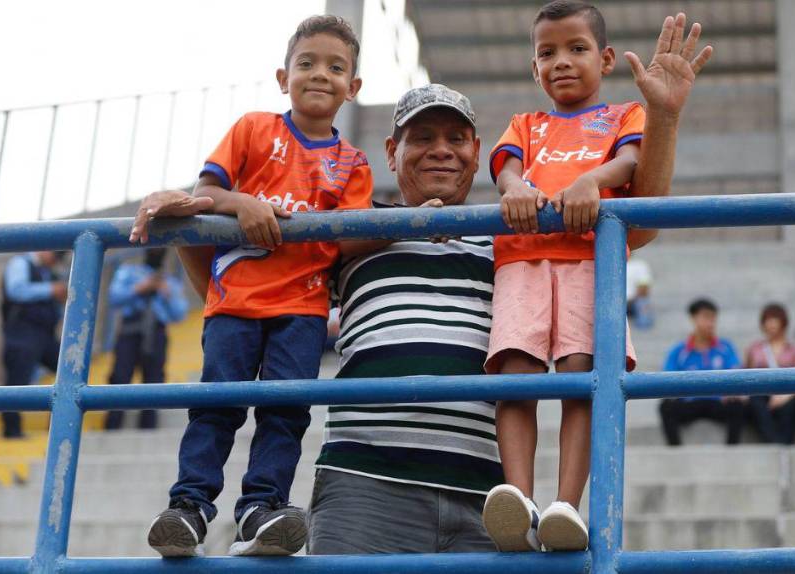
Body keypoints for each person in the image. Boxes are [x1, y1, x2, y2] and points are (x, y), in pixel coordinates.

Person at [132, 84, 504, 555]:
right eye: (423, 137)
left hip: (486, 486)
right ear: (392, 153)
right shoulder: (344, 231)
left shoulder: (505, 236)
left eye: (456, 138)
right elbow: (242, 292)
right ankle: (199, 502)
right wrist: (191, 228)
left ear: (476, 152)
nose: (441, 150)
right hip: (363, 482)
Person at [129, 15, 373, 557]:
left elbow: (353, 236)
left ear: (353, 89)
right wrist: (242, 203)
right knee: (217, 404)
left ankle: (260, 510)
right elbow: (206, 191)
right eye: (306, 63)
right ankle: (188, 508)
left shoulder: (352, 163)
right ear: (283, 76)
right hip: (235, 302)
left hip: (304, 308)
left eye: (336, 67)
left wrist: (405, 225)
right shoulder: (254, 128)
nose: (319, 75)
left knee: (285, 412)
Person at [481, 0, 714, 552]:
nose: (561, 61)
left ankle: (566, 503)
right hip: (522, 259)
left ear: (606, 58)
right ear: (533, 68)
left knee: (581, 377)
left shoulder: (625, 115)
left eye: (577, 48)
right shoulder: (526, 123)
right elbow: (506, 168)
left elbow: (632, 163)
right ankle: (517, 497)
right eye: (547, 53)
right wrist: (514, 189)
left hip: (590, 260)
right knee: (515, 373)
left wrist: (590, 180)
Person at [103, 249, 188, 430]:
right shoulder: (129, 272)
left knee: (154, 380)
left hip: (157, 332)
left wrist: (165, 293)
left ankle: (148, 427)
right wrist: (140, 288)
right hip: (130, 330)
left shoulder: (169, 282)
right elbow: (114, 297)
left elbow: (179, 313)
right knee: (120, 377)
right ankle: (112, 427)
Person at [0, 251, 67, 439]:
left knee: (68, 369)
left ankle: (59, 425)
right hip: (21, 333)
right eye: (56, 254)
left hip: (44, 334)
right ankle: (12, 431)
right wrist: (50, 290)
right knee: (17, 382)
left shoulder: (49, 271)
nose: (57, 259)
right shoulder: (20, 262)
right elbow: (16, 289)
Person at [659, 299, 743, 447]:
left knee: (738, 405)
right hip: (689, 402)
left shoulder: (726, 347)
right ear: (693, 318)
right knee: (665, 406)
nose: (710, 323)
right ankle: (675, 451)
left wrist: (730, 392)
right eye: (705, 317)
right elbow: (667, 380)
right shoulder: (678, 351)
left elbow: (737, 374)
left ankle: (732, 450)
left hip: (718, 402)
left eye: (713, 318)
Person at [743, 303, 795, 445]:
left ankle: (784, 443)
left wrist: (783, 397)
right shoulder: (754, 348)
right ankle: (776, 443)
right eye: (768, 319)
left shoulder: (793, 349)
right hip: (760, 391)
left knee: (792, 406)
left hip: (787, 392)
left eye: (775, 319)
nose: (772, 324)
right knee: (756, 403)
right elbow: (747, 373)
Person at [626, 258, 654, 329]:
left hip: (633, 301)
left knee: (642, 301)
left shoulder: (639, 265)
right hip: (615, 301)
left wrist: (631, 299)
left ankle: (643, 326)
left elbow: (644, 288)